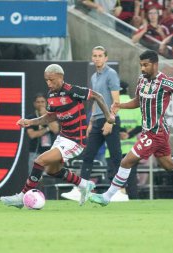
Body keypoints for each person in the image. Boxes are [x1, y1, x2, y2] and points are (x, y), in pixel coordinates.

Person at [89, 50, 173, 206]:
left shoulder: (165, 82)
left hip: (156, 131)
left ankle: (106, 197)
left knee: (126, 162)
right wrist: (121, 105)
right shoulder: (142, 80)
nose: (142, 68)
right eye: (141, 65)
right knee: (169, 165)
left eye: (146, 65)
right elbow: (138, 101)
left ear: (155, 64)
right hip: (153, 131)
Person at [0, 64, 115, 208]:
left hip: (76, 141)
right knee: (51, 170)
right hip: (63, 138)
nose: (48, 83)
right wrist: (30, 121)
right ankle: (84, 184)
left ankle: (22, 196)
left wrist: (108, 116)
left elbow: (98, 96)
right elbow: (50, 117)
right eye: (46, 80)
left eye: (51, 80)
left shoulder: (72, 91)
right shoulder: (51, 95)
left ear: (60, 77)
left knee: (39, 161)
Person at [62, 46, 122, 202]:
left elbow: (117, 101)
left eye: (100, 55)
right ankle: (81, 189)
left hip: (110, 120)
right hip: (97, 121)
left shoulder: (111, 74)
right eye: (94, 55)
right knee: (88, 156)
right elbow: (96, 101)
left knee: (116, 156)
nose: (97, 58)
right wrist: (91, 122)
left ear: (106, 58)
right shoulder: (94, 77)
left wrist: (111, 120)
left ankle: (120, 191)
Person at [105, 81, 142, 200]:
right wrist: (129, 134)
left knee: (114, 176)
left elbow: (107, 122)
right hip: (131, 149)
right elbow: (141, 125)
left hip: (113, 149)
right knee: (131, 178)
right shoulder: (135, 106)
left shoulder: (112, 105)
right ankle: (133, 201)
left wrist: (119, 132)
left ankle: (115, 198)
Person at [26, 93, 59, 173]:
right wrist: (47, 129)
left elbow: (55, 130)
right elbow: (32, 135)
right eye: (38, 102)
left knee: (48, 178)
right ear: (34, 104)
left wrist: (45, 115)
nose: (40, 104)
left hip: (49, 153)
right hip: (35, 153)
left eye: (42, 102)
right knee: (34, 178)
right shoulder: (30, 118)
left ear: (46, 103)